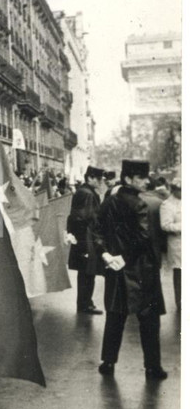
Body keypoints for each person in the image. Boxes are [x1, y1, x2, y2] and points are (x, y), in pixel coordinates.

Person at [94, 160, 168, 380]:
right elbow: (144, 238)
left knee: (115, 316)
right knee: (149, 318)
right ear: (128, 179)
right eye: (141, 178)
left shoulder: (109, 202)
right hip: (141, 268)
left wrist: (107, 255)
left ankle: (108, 362)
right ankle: (152, 367)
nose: (147, 181)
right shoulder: (139, 204)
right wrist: (125, 258)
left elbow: (96, 230)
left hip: (115, 269)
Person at [66, 165, 106, 315]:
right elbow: (85, 218)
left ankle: (85, 303)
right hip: (86, 240)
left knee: (86, 274)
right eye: (98, 178)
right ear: (90, 178)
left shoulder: (84, 192)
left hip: (83, 239)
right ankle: (85, 304)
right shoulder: (87, 194)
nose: (101, 181)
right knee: (87, 273)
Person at [160, 183, 181, 311]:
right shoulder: (167, 205)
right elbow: (165, 225)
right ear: (174, 190)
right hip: (178, 244)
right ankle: (181, 302)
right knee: (180, 274)